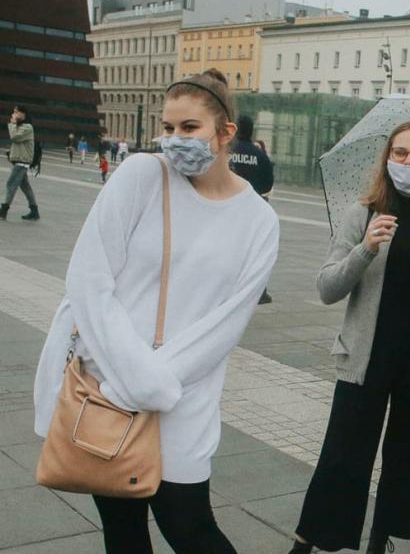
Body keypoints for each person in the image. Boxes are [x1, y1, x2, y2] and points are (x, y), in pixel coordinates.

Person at [34, 68, 279, 554]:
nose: (174, 140)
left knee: (190, 527)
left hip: (183, 394)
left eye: (189, 128)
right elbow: (89, 278)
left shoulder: (259, 221)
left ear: (225, 132)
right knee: (123, 531)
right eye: (168, 128)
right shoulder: (142, 175)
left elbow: (226, 324)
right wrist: (128, 378)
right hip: (104, 382)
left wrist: (151, 384)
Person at [289, 122, 410, 554]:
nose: (408, 162)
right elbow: (327, 287)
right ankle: (306, 541)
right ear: (387, 159)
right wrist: (365, 248)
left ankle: (379, 541)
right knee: (342, 456)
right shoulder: (364, 213)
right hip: (365, 357)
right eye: (401, 153)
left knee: (409, 460)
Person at [229, 115, 275, 304]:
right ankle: (259, 291)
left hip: (230, 209)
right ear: (252, 130)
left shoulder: (227, 152)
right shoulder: (259, 155)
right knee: (255, 252)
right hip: (255, 210)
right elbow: (267, 184)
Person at [1, 106, 39, 221]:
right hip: (19, 161)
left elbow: (15, 137)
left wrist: (12, 124)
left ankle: (4, 210)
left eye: (16, 112)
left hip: (22, 162)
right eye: (13, 112)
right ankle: (34, 211)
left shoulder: (27, 127)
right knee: (25, 187)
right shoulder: (21, 126)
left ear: (23, 114)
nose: (14, 114)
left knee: (11, 184)